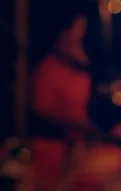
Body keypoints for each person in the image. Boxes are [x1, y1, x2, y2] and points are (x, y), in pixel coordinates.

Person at [30, 13, 97, 191]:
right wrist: (79, 128)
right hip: (54, 158)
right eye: (76, 31)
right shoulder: (47, 70)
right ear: (62, 35)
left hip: (78, 154)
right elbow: (42, 116)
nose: (79, 36)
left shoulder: (75, 68)